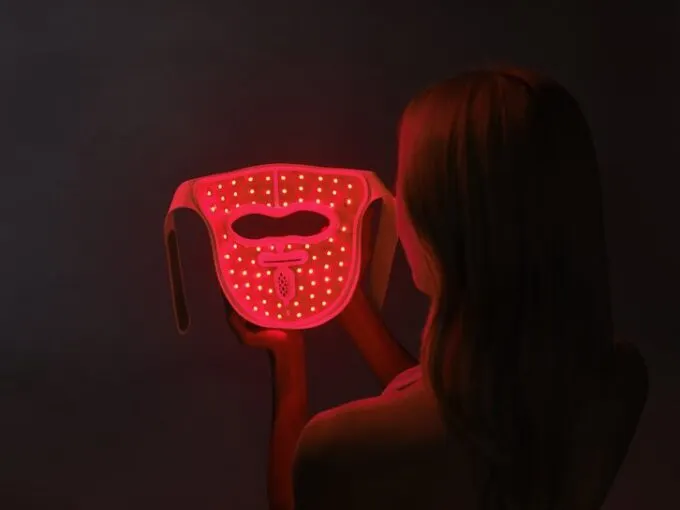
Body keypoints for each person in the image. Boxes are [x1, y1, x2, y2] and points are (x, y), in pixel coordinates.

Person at [229, 68, 648, 510]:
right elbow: (451, 417)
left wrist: (289, 372)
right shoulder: (617, 381)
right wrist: (352, 302)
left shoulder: (332, 447)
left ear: (439, 220)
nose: (395, 203)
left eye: (405, 182)